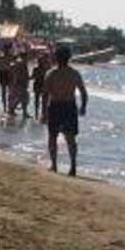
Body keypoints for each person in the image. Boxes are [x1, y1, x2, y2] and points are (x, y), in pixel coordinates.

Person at [41, 44, 87, 175]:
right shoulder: (74, 73)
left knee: (53, 136)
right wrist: (83, 107)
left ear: (56, 58)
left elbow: (45, 95)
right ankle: (73, 166)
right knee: (70, 138)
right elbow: (83, 92)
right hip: (69, 106)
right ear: (69, 58)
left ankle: (54, 165)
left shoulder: (51, 73)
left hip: (55, 106)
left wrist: (43, 112)